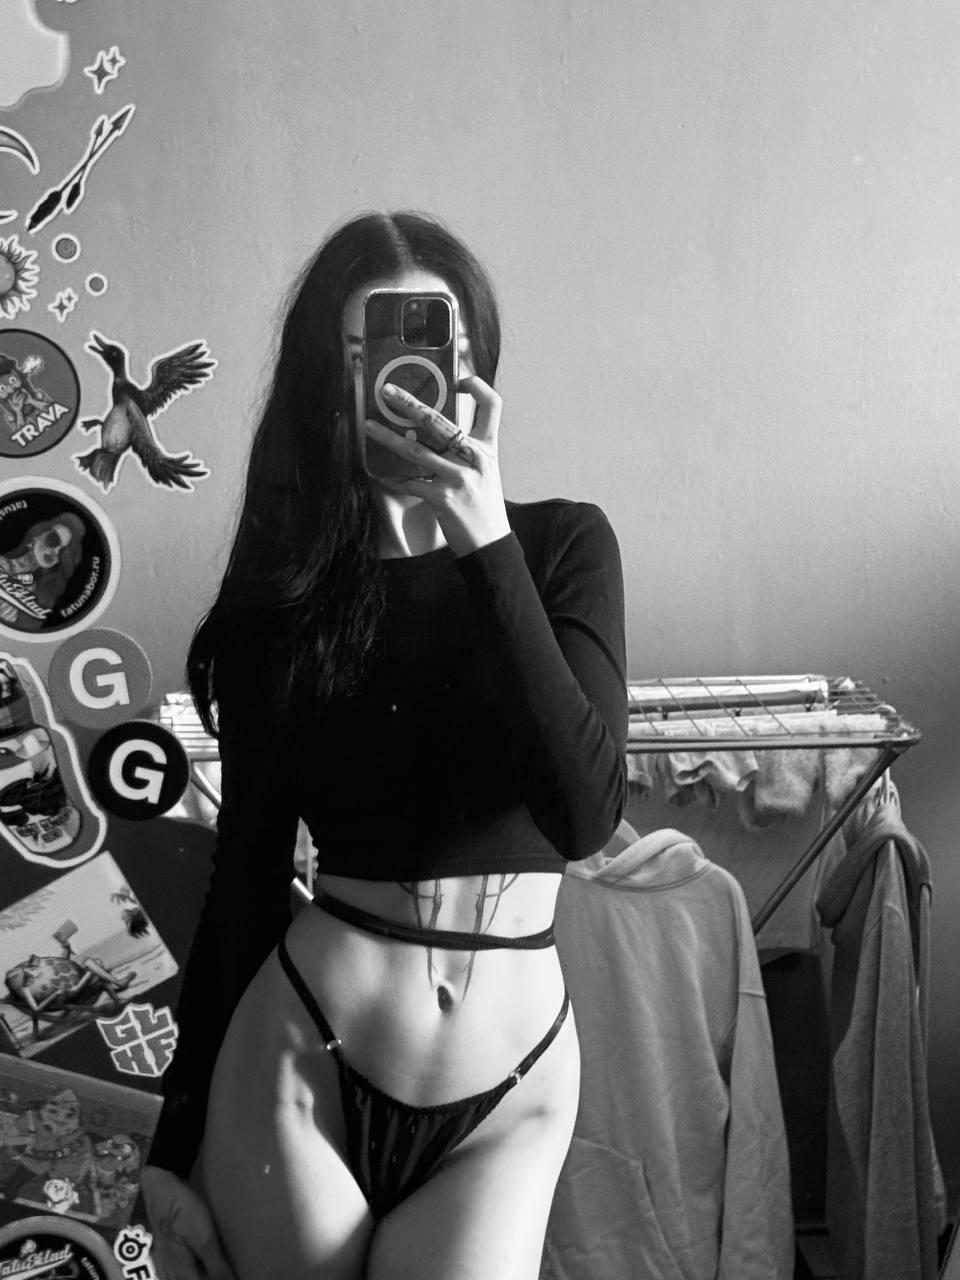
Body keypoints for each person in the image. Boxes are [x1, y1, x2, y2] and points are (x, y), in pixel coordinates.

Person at [139, 210, 628, 1280]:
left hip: (509, 1094)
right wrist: (170, 1146)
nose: (407, 383)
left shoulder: (561, 545)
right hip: (301, 1055)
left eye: (437, 346)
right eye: (370, 353)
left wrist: (482, 532)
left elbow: (585, 814)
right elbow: (246, 876)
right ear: (332, 377)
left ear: (474, 366)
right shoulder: (290, 593)